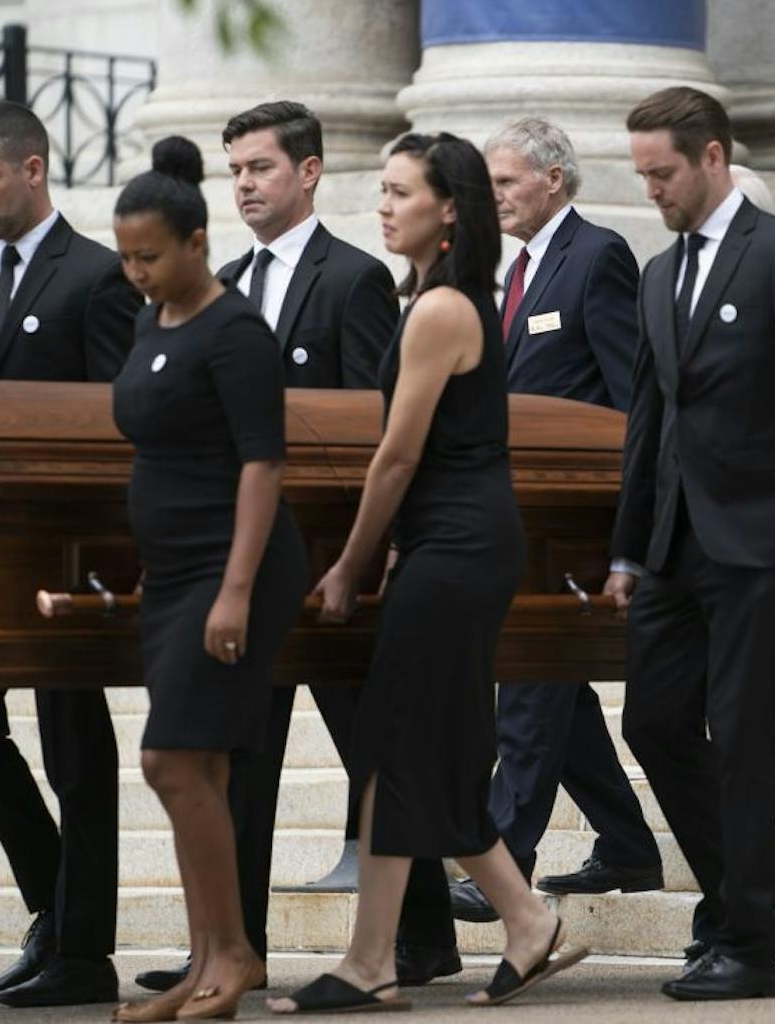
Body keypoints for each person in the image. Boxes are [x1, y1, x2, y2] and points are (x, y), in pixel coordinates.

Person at [267, 132, 585, 1014]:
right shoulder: (434, 300)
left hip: (456, 546)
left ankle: (376, 960)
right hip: (449, 545)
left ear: (450, 208)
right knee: (419, 753)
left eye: (402, 191)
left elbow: (396, 457)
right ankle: (521, 917)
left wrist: (347, 565)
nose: (384, 205)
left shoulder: (444, 308)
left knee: (396, 747)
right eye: (383, 190)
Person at [129, 99, 431, 996]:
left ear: (307, 172)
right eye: (235, 171)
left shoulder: (354, 278)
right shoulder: (214, 280)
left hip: (328, 559)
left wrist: (370, 552)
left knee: (369, 746)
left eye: (260, 167)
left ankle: (421, 937)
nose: (245, 185)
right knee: (241, 751)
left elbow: (379, 427)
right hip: (237, 558)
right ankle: (231, 947)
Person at [605, 86, 775, 1001]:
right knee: (652, 720)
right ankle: (759, 889)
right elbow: (648, 419)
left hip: (765, 543)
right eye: (642, 174)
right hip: (678, 547)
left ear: (713, 157)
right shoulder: (657, 274)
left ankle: (746, 943)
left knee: (746, 738)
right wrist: (626, 550)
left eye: (664, 172)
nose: (653, 190)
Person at [0, 100, 137, 1009]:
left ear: (35, 168)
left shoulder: (96, 275)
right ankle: (57, 908)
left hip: (66, 546)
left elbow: (124, 415)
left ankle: (83, 952)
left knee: (75, 745)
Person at [108, 136, 310, 1022]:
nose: (136, 272)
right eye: (125, 256)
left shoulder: (237, 331)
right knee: (199, 770)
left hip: (234, 570)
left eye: (149, 256)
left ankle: (234, 952)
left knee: (169, 758)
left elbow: (262, 465)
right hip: (175, 570)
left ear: (195, 241)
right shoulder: (154, 321)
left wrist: (233, 589)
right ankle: (205, 964)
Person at [448, 116, 660, 924]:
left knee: (533, 683)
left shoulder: (596, 255)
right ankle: (628, 844)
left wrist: (623, 523)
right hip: (520, 510)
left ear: (554, 181)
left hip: (576, 516)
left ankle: (504, 857)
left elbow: (630, 399)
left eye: (506, 182)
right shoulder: (518, 271)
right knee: (554, 689)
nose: (493, 196)